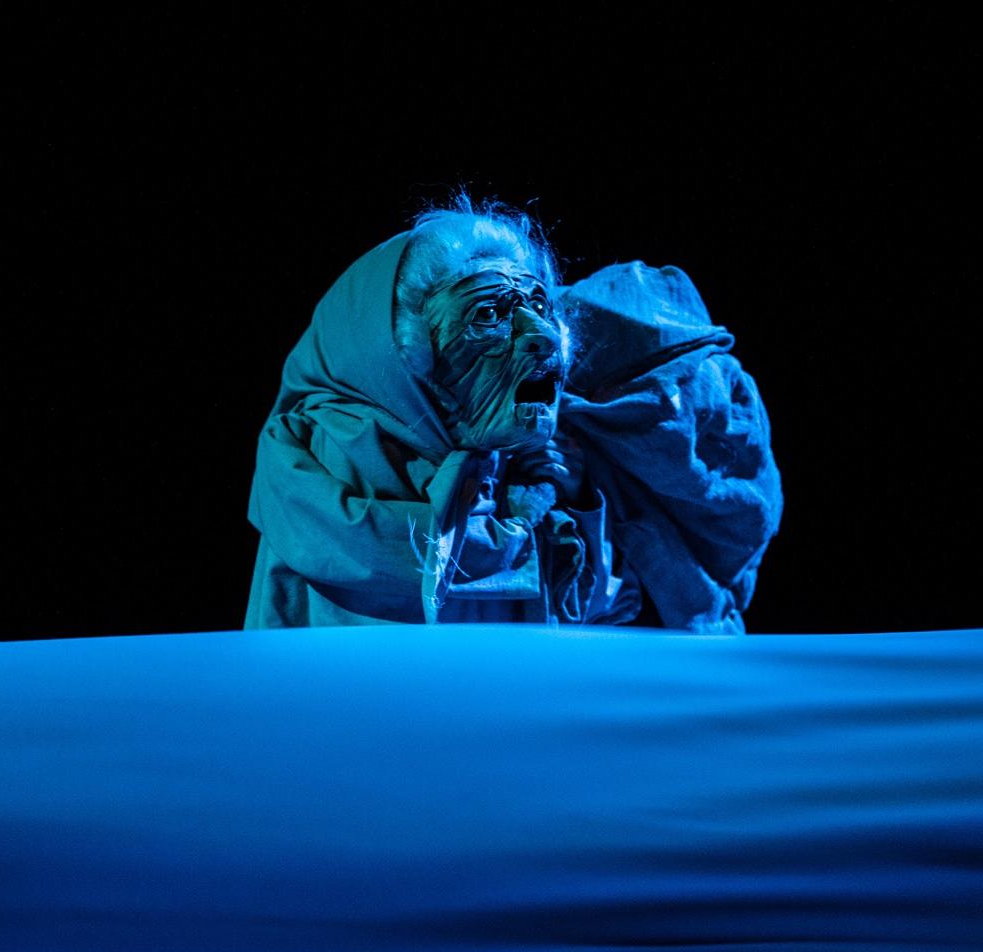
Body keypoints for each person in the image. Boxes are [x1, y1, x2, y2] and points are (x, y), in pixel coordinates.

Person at [244, 197, 783, 631]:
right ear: (408, 359)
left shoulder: (519, 467)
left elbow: (588, 616)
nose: (543, 335)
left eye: (540, 307)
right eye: (489, 313)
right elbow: (397, 588)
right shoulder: (341, 450)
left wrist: (573, 502)